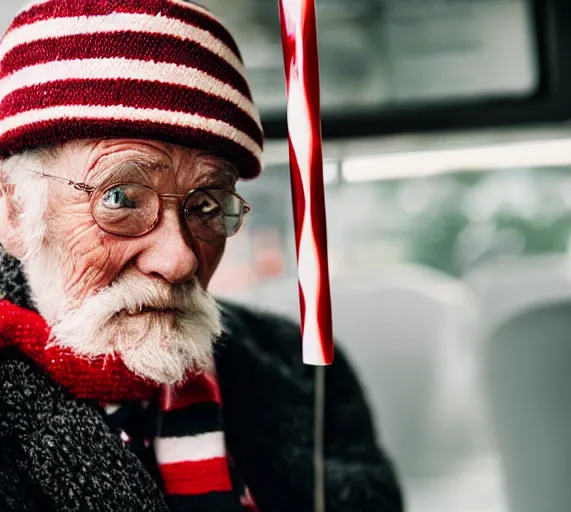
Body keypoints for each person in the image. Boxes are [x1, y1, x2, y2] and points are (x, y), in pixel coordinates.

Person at [0, 1, 403, 510]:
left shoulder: (299, 367)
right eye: (120, 198)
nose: (180, 261)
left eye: (207, 205)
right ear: (13, 210)